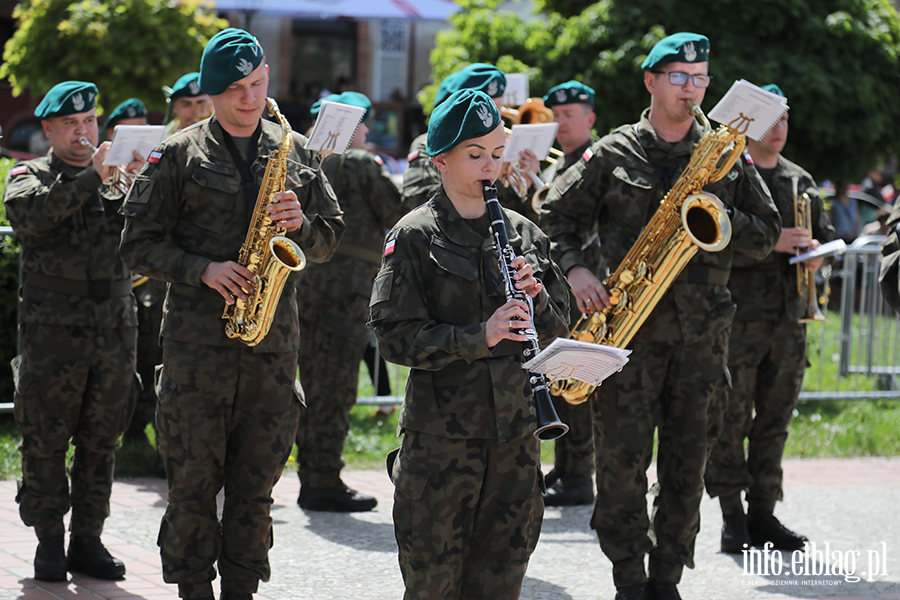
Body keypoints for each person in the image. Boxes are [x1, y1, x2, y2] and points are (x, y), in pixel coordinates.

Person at [541, 33, 781, 600]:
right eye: (679, 77)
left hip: (703, 337)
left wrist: (722, 217)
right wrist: (576, 270)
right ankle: (628, 575)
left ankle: (667, 577)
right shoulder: (615, 151)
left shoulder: (727, 152)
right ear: (650, 81)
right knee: (621, 463)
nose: (691, 89)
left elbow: (766, 232)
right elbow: (556, 216)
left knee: (686, 462)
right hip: (628, 335)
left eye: (700, 79)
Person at [118, 29, 344, 600]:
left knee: (255, 489)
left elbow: (329, 239)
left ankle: (243, 590)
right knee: (192, 486)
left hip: (272, 349)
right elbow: (136, 245)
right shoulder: (175, 153)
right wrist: (203, 269)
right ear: (212, 93)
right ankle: (193, 590)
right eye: (237, 89)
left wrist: (303, 228)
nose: (251, 99)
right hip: (196, 351)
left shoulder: (294, 151)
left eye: (259, 84)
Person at [369, 88, 570, 600]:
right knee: (433, 584)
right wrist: (479, 336)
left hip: (516, 440)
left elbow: (559, 327)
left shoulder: (523, 232)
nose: (489, 167)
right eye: (475, 155)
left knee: (501, 581)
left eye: (497, 155)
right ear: (440, 161)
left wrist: (537, 295)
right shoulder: (415, 236)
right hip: (441, 443)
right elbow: (394, 336)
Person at [4, 80, 143, 582]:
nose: (83, 132)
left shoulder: (120, 180)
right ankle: (47, 541)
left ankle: (88, 538)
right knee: (44, 438)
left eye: (89, 122)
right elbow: (34, 220)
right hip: (52, 335)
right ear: (48, 129)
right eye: (71, 124)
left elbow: (150, 238)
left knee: (101, 440)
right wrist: (90, 179)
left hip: (114, 330)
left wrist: (136, 183)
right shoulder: (29, 175)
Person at [705, 84, 835, 555]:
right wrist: (772, 243)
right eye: (770, 121)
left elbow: (824, 238)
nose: (779, 130)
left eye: (784, 120)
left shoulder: (801, 179)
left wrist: (818, 257)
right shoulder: (730, 173)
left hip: (790, 319)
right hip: (739, 319)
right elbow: (709, 238)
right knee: (731, 415)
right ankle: (732, 516)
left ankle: (763, 512)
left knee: (775, 419)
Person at [294, 91, 412, 512]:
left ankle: (314, 474)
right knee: (337, 388)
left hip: (304, 287)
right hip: (346, 294)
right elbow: (398, 212)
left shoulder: (301, 160)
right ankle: (322, 480)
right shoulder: (362, 164)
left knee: (312, 385)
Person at [537, 80, 601, 507]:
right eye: (555, 115)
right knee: (562, 378)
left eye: (569, 115)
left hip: (588, 287)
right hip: (558, 289)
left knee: (580, 381)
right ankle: (565, 466)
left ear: (590, 119)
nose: (560, 122)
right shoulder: (557, 165)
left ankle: (580, 476)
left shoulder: (597, 162)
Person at [403, 63, 542, 222]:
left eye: (499, 107)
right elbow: (417, 204)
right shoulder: (426, 145)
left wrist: (527, 185)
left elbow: (528, 222)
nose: (496, 115)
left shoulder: (501, 144)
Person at [163, 72, 213, 136]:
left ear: (212, 104)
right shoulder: (163, 138)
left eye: (201, 103)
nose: (195, 111)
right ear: (175, 107)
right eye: (187, 104)